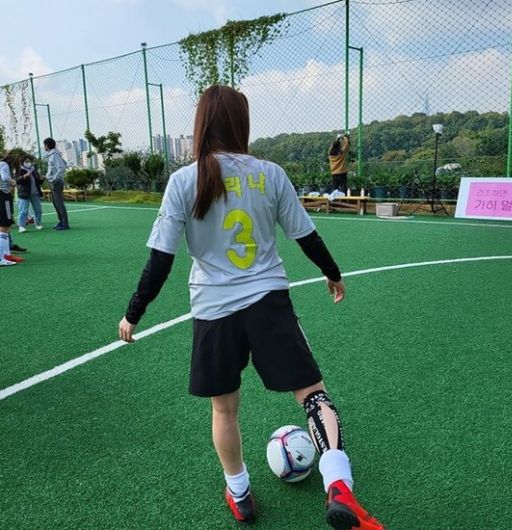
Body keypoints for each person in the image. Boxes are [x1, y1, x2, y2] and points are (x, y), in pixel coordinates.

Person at [118, 86, 384, 530]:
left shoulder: (184, 181)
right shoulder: (270, 174)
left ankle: (239, 494)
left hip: (213, 310)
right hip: (269, 303)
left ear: (201, 124)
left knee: (224, 410)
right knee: (313, 394)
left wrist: (133, 312)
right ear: (242, 124)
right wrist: (332, 273)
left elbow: (160, 260)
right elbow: (306, 235)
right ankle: (338, 483)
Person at [0, 153, 24, 266]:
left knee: (4, 225)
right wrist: (13, 182)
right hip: (3, 196)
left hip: (3, 195)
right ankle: (2, 257)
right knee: (5, 225)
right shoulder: (4, 164)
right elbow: (5, 177)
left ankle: (6, 254)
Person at [43, 138, 69, 230]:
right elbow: (64, 164)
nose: (44, 147)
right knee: (55, 203)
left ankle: (64, 223)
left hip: (56, 182)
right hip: (53, 182)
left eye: (44, 145)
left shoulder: (54, 155)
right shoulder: (52, 155)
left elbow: (61, 168)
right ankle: (61, 221)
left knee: (59, 203)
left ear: (47, 145)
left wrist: (54, 179)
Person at [17, 156, 44, 232]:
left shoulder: (34, 170)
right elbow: (17, 180)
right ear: (23, 162)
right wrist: (24, 176)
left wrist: (41, 179)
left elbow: (38, 181)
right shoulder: (20, 170)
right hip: (24, 193)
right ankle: (21, 226)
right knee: (23, 211)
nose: (28, 163)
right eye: (26, 161)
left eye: (29, 161)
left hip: (35, 193)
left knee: (38, 210)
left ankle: (38, 224)